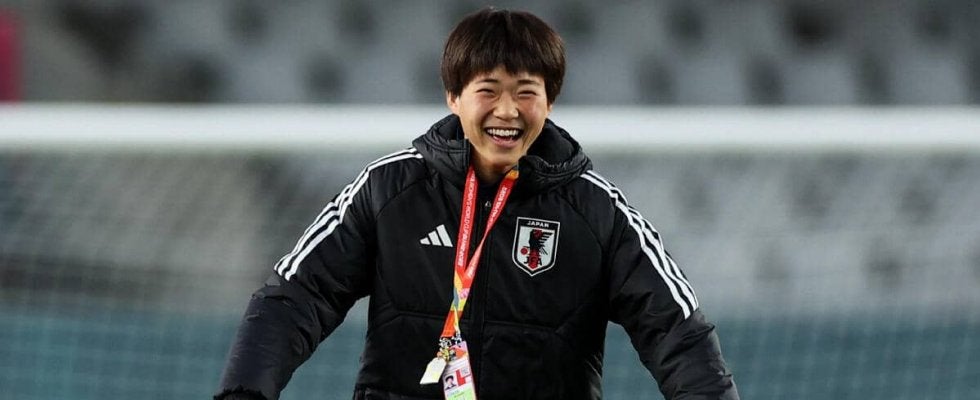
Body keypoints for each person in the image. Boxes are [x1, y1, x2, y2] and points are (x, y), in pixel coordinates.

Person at [215, 7, 738, 400]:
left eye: (526, 91)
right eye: (488, 90)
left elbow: (676, 328)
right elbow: (295, 296)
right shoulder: (389, 188)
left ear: (550, 101)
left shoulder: (596, 210)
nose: (507, 110)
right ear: (454, 96)